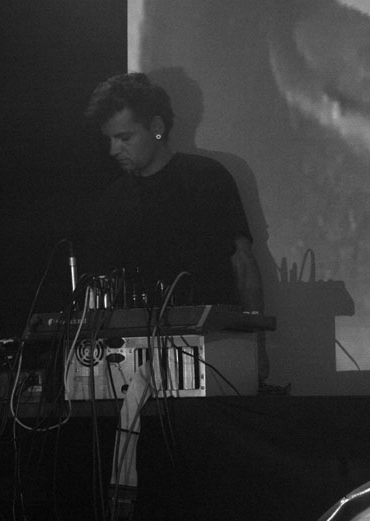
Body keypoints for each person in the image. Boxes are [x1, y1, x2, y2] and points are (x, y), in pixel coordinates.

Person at [82, 72, 279, 392]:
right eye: (110, 139)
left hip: (214, 352)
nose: (113, 150)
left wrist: (257, 344)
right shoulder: (112, 201)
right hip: (137, 363)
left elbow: (243, 263)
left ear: (157, 127)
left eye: (124, 137)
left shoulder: (208, 178)